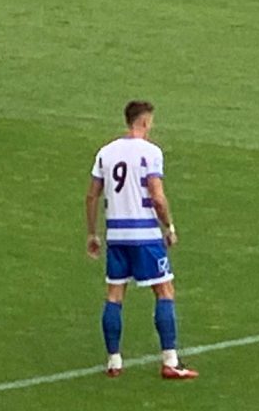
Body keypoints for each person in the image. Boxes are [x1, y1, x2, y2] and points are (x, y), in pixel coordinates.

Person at [85, 101, 199, 380]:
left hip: (116, 235)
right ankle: (170, 362)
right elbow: (157, 197)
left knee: (114, 296)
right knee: (164, 291)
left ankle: (114, 361)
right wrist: (169, 226)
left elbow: (92, 196)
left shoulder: (106, 152)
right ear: (145, 122)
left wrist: (92, 233)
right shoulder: (151, 152)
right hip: (145, 235)